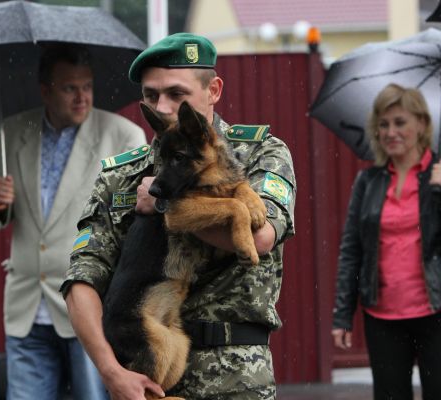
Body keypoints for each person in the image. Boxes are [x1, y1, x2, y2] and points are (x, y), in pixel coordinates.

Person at [60, 33, 296, 400]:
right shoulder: (121, 176)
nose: (163, 106)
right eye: (151, 95)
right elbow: (81, 280)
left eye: (176, 94)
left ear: (213, 90)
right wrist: (111, 372)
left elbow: (260, 238)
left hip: (238, 375)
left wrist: (163, 204)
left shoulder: (260, 154)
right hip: (149, 375)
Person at [0, 43, 146, 400]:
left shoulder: (124, 136)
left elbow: (134, 222)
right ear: (45, 90)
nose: (82, 97)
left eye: (87, 86)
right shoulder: (12, 131)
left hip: (91, 304)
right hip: (27, 303)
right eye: (70, 88)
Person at [331, 83, 441, 400]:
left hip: (439, 312)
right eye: (383, 124)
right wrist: (342, 314)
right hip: (382, 318)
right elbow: (352, 251)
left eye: (400, 122)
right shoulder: (368, 182)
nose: (390, 132)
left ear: (421, 124)